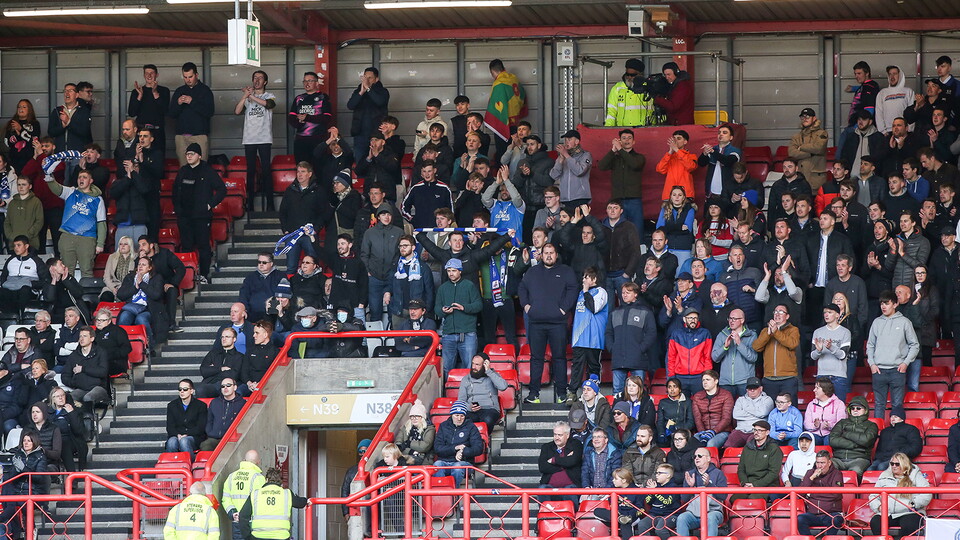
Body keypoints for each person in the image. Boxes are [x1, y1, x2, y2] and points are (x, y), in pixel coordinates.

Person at [519, 243, 578, 404]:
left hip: (557, 322)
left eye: (552, 253)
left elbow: (573, 289)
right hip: (536, 322)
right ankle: (533, 394)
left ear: (556, 254)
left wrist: (563, 309)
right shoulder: (532, 272)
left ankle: (561, 394)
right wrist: (527, 307)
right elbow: (522, 288)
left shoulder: (566, 271)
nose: (549, 255)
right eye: (546, 253)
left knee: (559, 358)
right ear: (541, 254)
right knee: (536, 358)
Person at [172, 143, 225, 282]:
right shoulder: (182, 171)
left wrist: (209, 205)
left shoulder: (207, 171)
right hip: (184, 216)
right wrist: (178, 209)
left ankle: (204, 274)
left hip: (201, 216)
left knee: (203, 246)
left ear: (200, 156)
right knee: (186, 246)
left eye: (192, 154)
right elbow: (175, 192)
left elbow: (222, 190)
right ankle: (188, 275)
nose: (189, 156)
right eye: (187, 154)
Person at [44, 167, 106, 278]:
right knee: (66, 270)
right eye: (79, 177)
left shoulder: (98, 199)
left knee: (87, 270)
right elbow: (56, 188)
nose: (81, 179)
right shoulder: (71, 192)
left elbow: (101, 223)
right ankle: (67, 295)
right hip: (67, 236)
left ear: (91, 181)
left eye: (85, 177)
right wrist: (48, 176)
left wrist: (100, 243)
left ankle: (86, 295)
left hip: (87, 238)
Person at [867, 290, 919, 419]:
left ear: (895, 304)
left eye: (887, 303)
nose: (883, 306)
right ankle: (879, 434)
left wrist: (905, 363)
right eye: (881, 304)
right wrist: (872, 364)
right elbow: (870, 345)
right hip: (879, 370)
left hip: (897, 370)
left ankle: (896, 436)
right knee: (879, 404)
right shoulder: (876, 322)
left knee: (897, 405)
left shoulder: (905, 322)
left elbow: (915, 345)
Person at [605, 282, 657, 395]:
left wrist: (641, 349)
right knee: (617, 393)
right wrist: (612, 348)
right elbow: (608, 333)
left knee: (638, 393)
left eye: (628, 292)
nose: (624, 295)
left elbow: (651, 333)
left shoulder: (645, 311)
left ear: (636, 294)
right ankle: (618, 413)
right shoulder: (614, 312)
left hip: (637, 359)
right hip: (618, 358)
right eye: (623, 292)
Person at [434, 258, 482, 376]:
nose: (451, 273)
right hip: (448, 334)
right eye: (449, 270)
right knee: (446, 368)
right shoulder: (443, 288)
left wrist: (463, 307)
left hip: (467, 333)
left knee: (469, 367)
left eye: (454, 270)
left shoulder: (469, 286)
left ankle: (469, 393)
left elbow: (479, 305)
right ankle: (447, 392)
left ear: (460, 271)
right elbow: (437, 309)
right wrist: (443, 311)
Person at [868, 452, 930, 539]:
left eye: (897, 464)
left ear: (904, 464)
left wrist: (913, 504)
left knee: (909, 524)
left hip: (908, 512)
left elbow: (927, 493)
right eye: (892, 463)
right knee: (875, 522)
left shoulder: (915, 474)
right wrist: (878, 507)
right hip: (887, 513)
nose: (894, 466)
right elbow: (873, 495)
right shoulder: (884, 475)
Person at [0, 430, 47, 538]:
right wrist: (16, 469)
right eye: (24, 440)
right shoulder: (18, 455)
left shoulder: (41, 457)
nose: (26, 443)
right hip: (17, 490)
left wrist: (23, 469)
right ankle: (14, 531)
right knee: (9, 505)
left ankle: (31, 530)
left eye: (29, 441)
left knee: (24, 503)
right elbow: (12, 478)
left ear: (34, 442)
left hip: (34, 490)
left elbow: (39, 478)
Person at [239, 467, 308, 540]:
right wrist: (306, 500)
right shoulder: (287, 494)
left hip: (258, 536)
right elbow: (300, 503)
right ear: (281, 481)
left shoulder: (255, 494)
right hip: (281, 537)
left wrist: (247, 537)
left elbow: (243, 516)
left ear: (266, 480)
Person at [360, 208, 403, 323]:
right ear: (378, 217)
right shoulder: (369, 232)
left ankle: (393, 340)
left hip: (393, 276)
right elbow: (364, 254)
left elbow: (401, 254)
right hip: (374, 277)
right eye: (383, 214)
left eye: (389, 214)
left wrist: (396, 271)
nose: (386, 217)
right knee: (375, 311)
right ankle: (375, 340)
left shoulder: (399, 232)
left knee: (394, 313)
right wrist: (367, 271)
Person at [598, 129, 646, 230]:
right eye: (623, 138)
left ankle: (639, 246)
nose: (626, 140)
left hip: (634, 199)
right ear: (620, 141)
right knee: (619, 228)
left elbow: (634, 164)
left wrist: (620, 150)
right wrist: (613, 151)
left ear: (634, 142)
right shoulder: (615, 158)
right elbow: (601, 166)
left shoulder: (639, 157)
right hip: (618, 199)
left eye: (629, 138)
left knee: (637, 228)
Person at [169, 62, 215, 165]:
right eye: (185, 77)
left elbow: (210, 112)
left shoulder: (205, 91)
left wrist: (192, 102)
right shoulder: (179, 91)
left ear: (196, 75)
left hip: (199, 135)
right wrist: (178, 103)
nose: (188, 80)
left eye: (190, 77)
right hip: (181, 136)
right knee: (184, 167)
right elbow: (171, 114)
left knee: (200, 167)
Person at [675, 447, 727, 537]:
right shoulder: (690, 474)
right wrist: (690, 487)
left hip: (713, 512)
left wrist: (709, 485)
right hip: (693, 514)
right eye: (695, 457)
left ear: (708, 459)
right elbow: (684, 499)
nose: (697, 458)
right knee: (682, 518)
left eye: (700, 456)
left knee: (711, 518)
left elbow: (723, 496)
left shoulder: (718, 473)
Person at [433, 400, 484, 488]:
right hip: (444, 461)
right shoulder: (443, 426)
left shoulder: (471, 427)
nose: (459, 418)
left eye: (462, 416)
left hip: (464, 462)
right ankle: (441, 493)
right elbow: (437, 448)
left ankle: (454, 494)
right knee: (437, 465)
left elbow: (479, 448)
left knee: (457, 467)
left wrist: (463, 451)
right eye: (456, 415)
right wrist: (455, 448)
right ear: (451, 415)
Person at [117, 256, 167, 344]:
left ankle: (149, 347)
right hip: (132, 307)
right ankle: (122, 345)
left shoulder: (156, 277)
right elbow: (120, 295)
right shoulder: (130, 277)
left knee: (141, 319)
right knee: (124, 317)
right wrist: (135, 287)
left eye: (143, 265)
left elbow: (156, 295)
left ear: (150, 268)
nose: (140, 266)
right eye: (139, 264)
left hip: (148, 309)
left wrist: (141, 284)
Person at [731, 420, 783, 502]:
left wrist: (755, 485)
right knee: (734, 499)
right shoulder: (747, 447)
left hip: (767, 486)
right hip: (748, 484)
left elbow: (773, 473)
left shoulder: (774, 448)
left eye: (760, 430)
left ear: (767, 432)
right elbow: (741, 469)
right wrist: (745, 483)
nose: (756, 432)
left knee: (753, 500)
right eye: (755, 430)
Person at [484, 59, 527, 158]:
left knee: (503, 152)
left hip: (503, 121)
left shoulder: (498, 83)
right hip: (516, 121)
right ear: (504, 68)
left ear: (492, 72)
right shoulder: (514, 79)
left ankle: (503, 172)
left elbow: (495, 104)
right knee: (516, 151)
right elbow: (522, 95)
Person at [796, 449, 845, 536]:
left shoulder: (837, 474)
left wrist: (811, 494)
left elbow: (835, 494)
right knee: (800, 519)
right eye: (817, 463)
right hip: (813, 514)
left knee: (836, 519)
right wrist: (811, 478)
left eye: (822, 463)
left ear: (829, 463)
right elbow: (800, 494)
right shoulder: (810, 473)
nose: (819, 466)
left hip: (831, 513)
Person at [713, 308, 758, 399]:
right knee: (726, 411)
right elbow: (715, 357)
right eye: (730, 318)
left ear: (742, 320)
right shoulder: (722, 334)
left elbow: (753, 357)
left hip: (744, 381)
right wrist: (725, 347)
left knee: (745, 409)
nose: (731, 321)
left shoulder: (751, 335)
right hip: (725, 382)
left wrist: (739, 343)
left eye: (734, 319)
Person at [667, 307, 713, 396]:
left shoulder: (704, 333)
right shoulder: (676, 334)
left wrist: (706, 376)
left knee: (700, 405)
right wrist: (672, 376)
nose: (693, 320)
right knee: (681, 405)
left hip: (699, 376)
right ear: (684, 319)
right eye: (690, 318)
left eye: (695, 318)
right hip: (680, 376)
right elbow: (671, 357)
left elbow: (707, 357)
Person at [457, 353, 507, 433]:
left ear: (485, 365)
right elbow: (461, 400)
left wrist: (488, 371)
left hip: (490, 409)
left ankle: (483, 442)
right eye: (473, 363)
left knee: (487, 420)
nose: (473, 367)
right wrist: (469, 407)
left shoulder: (492, 375)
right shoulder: (466, 379)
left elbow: (503, 387)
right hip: (471, 411)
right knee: (456, 420)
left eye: (477, 364)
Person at [222, 449, 266, 540]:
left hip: (237, 521)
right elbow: (261, 501)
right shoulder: (258, 478)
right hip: (253, 523)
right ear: (258, 462)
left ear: (244, 460)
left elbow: (225, 499)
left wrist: (233, 513)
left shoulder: (231, 476)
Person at [346, 67, 389, 159]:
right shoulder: (358, 91)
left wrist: (369, 89)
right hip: (360, 133)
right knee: (360, 161)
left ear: (376, 79)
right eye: (365, 77)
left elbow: (380, 101)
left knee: (377, 160)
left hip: (377, 133)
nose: (367, 80)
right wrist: (361, 92)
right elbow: (350, 105)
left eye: (370, 78)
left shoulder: (383, 91)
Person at [830, 395, 878, 476]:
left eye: (858, 408)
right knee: (826, 468)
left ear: (865, 410)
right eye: (852, 408)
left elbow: (866, 440)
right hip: (838, 459)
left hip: (859, 459)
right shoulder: (842, 422)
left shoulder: (871, 425)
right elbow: (832, 440)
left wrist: (846, 434)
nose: (855, 410)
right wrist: (853, 444)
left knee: (856, 471)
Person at [61, 325, 109, 405]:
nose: (81, 339)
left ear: (92, 339)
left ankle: (90, 417)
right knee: (70, 398)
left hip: (98, 388)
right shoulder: (74, 355)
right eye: (80, 336)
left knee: (88, 398)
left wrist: (83, 369)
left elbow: (103, 371)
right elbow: (65, 376)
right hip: (80, 389)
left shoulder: (100, 352)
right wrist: (74, 382)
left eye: (85, 336)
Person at [537, 420, 582, 502]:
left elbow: (573, 461)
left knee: (569, 491)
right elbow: (542, 467)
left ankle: (569, 514)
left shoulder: (576, 445)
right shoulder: (546, 447)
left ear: (567, 435)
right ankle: (545, 514)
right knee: (542, 489)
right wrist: (564, 464)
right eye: (555, 434)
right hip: (549, 487)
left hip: (571, 486)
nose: (557, 438)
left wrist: (554, 460)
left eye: (560, 435)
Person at [724, 378, 774, 448]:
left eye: (755, 388)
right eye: (750, 388)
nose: (752, 390)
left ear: (761, 388)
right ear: (747, 390)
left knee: (751, 447)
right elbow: (736, 415)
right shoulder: (740, 399)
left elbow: (762, 413)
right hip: (740, 430)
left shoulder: (767, 399)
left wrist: (745, 409)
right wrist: (756, 414)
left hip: (757, 431)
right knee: (728, 447)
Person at [200, 376, 246, 452]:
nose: (225, 388)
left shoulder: (242, 403)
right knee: (205, 445)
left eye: (228, 385)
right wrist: (211, 432)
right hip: (214, 438)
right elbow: (209, 420)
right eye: (222, 386)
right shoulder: (214, 402)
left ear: (235, 387)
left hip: (231, 439)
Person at [789, 108, 830, 190]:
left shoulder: (822, 133)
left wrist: (801, 147)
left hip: (816, 180)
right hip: (800, 179)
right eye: (802, 117)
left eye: (807, 117)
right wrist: (810, 153)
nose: (805, 119)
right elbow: (792, 153)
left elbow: (819, 148)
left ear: (814, 118)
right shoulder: (796, 137)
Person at [692, 370, 734, 448]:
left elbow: (726, 419)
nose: (705, 382)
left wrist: (713, 432)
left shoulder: (726, 395)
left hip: (722, 432)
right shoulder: (697, 396)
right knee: (691, 443)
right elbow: (697, 418)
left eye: (708, 379)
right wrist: (703, 433)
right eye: (703, 380)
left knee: (710, 444)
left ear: (716, 381)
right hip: (703, 432)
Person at [550, 129, 593, 207]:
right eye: (565, 140)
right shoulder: (563, 156)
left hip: (580, 197)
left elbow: (580, 171)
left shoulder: (585, 155)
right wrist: (560, 160)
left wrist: (566, 155)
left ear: (577, 142)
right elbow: (554, 175)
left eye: (569, 140)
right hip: (565, 198)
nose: (566, 142)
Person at [165, 378, 207, 454]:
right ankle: (173, 464)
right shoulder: (172, 405)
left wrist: (186, 434)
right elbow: (170, 427)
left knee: (184, 441)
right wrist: (178, 435)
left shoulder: (201, 406)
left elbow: (201, 427)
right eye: (180, 389)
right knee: (171, 442)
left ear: (192, 391)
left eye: (185, 389)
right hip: (177, 436)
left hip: (194, 437)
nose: (182, 391)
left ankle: (189, 463)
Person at [656, 129, 698, 203]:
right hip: (669, 195)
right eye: (674, 139)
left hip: (685, 195)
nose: (675, 141)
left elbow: (691, 167)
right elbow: (660, 169)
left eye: (678, 139)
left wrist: (677, 150)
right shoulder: (669, 156)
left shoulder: (692, 156)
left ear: (685, 142)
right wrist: (670, 152)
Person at [803, 377, 846, 446]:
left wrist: (829, 426)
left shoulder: (839, 404)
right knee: (805, 438)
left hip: (831, 434)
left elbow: (842, 425)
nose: (814, 390)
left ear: (825, 390)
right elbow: (806, 424)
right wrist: (815, 425)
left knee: (829, 440)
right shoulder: (811, 404)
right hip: (815, 434)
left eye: (817, 388)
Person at [5, 177, 43, 252]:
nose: (21, 187)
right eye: (19, 185)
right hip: (14, 245)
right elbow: (7, 222)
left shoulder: (36, 202)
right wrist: (10, 236)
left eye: (24, 184)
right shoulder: (12, 203)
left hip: (31, 244)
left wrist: (29, 235)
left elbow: (39, 221)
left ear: (30, 186)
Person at [93, 307, 132, 378]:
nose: (99, 322)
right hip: (98, 362)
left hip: (115, 363)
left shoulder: (118, 331)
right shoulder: (93, 333)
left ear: (109, 321)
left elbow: (127, 348)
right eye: (98, 320)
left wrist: (110, 355)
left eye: (102, 320)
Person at [654, 62, 694, 126]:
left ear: (676, 73)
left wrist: (657, 99)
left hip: (681, 124)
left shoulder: (682, 86)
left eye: (669, 74)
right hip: (678, 123)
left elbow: (673, 106)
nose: (667, 77)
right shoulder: (676, 85)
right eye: (665, 75)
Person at [657, 378, 695, 446]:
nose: (672, 389)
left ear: (680, 389)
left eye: (675, 387)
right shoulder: (663, 402)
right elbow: (660, 421)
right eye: (669, 387)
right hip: (667, 433)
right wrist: (661, 433)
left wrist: (677, 428)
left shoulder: (688, 402)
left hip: (683, 433)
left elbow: (691, 422)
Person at [395, 400, 435, 466]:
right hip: (404, 456)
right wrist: (411, 451)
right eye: (412, 416)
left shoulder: (429, 429)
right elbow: (398, 445)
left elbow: (425, 446)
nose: (414, 419)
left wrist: (408, 443)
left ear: (422, 417)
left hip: (423, 459)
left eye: (417, 416)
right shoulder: (404, 428)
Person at [100, 235, 136, 302]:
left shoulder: (136, 257)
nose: (122, 246)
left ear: (130, 246)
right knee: (106, 296)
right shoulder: (112, 257)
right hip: (114, 286)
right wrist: (113, 288)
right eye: (120, 244)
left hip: (129, 288)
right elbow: (106, 277)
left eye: (125, 244)